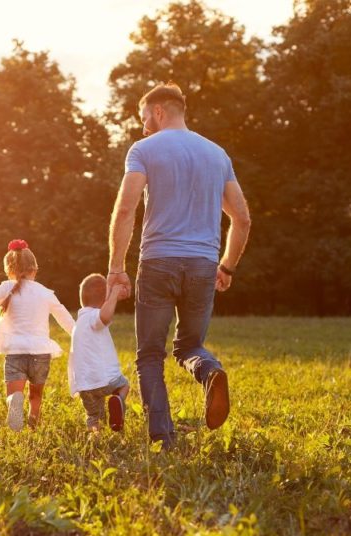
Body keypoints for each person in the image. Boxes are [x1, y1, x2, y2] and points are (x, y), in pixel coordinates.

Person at [106, 83, 252, 448]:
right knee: (190, 346)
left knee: (150, 355)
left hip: (158, 262)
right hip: (203, 264)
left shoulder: (144, 149)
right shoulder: (218, 154)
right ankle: (210, 372)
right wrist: (228, 266)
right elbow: (243, 219)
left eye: (143, 119)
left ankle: (163, 438)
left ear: (158, 112)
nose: (141, 128)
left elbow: (126, 209)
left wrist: (116, 267)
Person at [0, 240, 75, 431]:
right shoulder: (45, 293)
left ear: (8, 269)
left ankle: (14, 404)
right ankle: (33, 423)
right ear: (34, 268)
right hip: (40, 353)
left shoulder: (5, 289)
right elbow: (66, 321)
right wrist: (81, 337)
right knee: (36, 396)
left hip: (16, 351)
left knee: (14, 394)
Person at [69, 274, 131, 432]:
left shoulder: (79, 323)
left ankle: (94, 438)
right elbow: (105, 315)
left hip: (84, 386)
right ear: (105, 300)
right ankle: (118, 400)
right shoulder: (92, 316)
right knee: (124, 385)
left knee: (93, 417)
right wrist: (115, 294)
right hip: (105, 380)